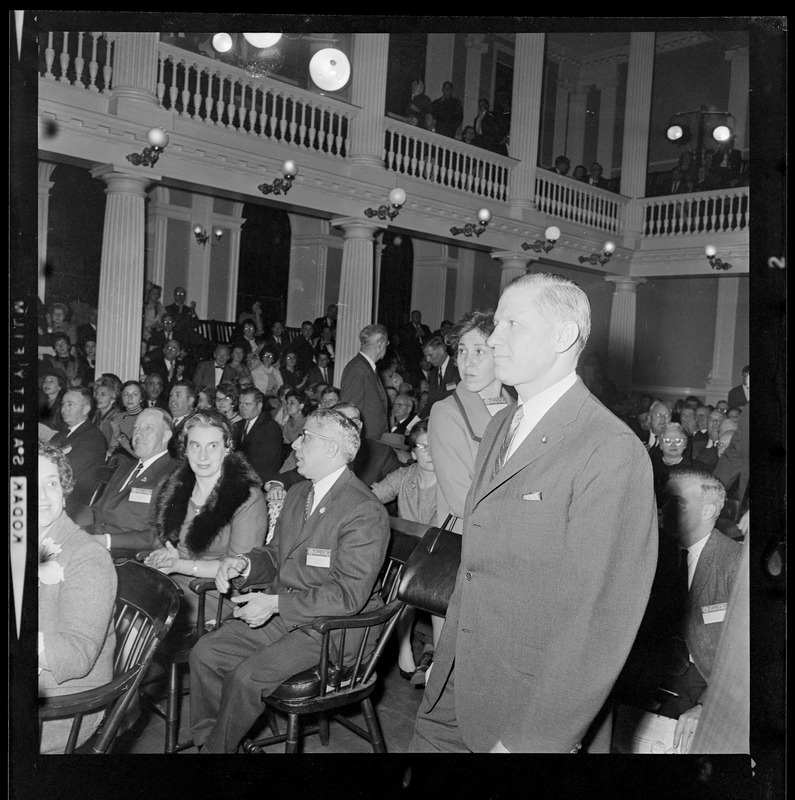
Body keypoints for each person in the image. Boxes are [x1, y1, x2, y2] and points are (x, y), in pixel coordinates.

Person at [410, 272, 658, 753]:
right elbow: (476, 565)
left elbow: (599, 619)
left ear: (564, 336)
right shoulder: (503, 423)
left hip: (525, 710)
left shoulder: (609, 449)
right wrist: (444, 665)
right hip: (454, 688)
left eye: (511, 325)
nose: (494, 338)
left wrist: (534, 741)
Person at [188, 408, 390, 753]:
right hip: (288, 616)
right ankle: (212, 745)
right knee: (206, 652)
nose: (295, 443)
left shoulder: (364, 510)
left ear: (330, 448)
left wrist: (276, 603)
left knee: (244, 677)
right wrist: (243, 564)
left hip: (332, 630)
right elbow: (274, 554)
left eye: (305, 436)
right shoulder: (299, 494)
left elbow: (347, 597)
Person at [144, 410, 267, 631]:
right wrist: (165, 551)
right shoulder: (175, 486)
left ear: (227, 448)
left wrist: (179, 565)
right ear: (185, 449)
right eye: (195, 446)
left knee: (139, 613)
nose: (202, 456)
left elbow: (235, 569)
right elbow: (159, 537)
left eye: (212, 446)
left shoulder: (246, 497)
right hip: (172, 581)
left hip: (214, 594)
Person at [653, 468, 743, 753]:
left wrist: (708, 706)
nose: (664, 508)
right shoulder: (656, 553)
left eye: (677, 501)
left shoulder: (736, 563)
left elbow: (748, 659)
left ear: (708, 511)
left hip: (711, 686)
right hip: (661, 677)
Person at [38, 442, 118, 754]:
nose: (43, 496)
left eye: (52, 483)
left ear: (65, 490)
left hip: (63, 702)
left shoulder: (87, 555)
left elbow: (76, 654)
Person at [429, 309, 514, 535]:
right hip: (471, 541)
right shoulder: (447, 413)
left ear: (501, 354)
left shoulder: (521, 410)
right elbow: (462, 501)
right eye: (462, 351)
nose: (467, 362)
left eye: (479, 351)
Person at [371, 422, 437, 686]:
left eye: (435, 447)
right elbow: (369, 498)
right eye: (422, 447)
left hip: (439, 556)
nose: (429, 454)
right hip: (407, 558)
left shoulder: (450, 479)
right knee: (402, 582)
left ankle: (436, 656)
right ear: (413, 450)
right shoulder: (404, 475)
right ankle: (403, 646)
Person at [80, 407, 179, 552]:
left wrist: (106, 541)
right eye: (137, 428)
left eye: (148, 428)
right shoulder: (125, 466)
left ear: (165, 436)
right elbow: (97, 510)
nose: (139, 434)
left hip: (127, 557)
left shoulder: (174, 474)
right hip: (95, 546)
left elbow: (159, 535)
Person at [49, 388, 107, 510]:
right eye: (63, 404)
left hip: (72, 501)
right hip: (52, 491)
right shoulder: (60, 435)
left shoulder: (93, 438)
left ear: (85, 409)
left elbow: (66, 470)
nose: (64, 409)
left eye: (70, 404)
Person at [340, 323, 390, 441]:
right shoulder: (357, 369)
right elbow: (350, 413)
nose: (387, 347)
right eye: (387, 343)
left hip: (375, 442)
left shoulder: (367, 367)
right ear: (380, 343)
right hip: (366, 443)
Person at [233, 387, 284, 486]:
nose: (242, 408)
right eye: (240, 403)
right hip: (240, 478)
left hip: (259, 481)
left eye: (247, 404)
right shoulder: (238, 425)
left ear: (259, 405)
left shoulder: (270, 427)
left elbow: (265, 463)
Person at [650, 422, 693, 505]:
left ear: (685, 444)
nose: (673, 445)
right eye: (668, 441)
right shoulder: (651, 468)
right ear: (661, 444)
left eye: (677, 441)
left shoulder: (696, 468)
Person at [421, 335, 460, 418]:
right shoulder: (433, 373)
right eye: (426, 356)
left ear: (442, 350)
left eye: (430, 355)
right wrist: (412, 424)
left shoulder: (458, 368)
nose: (428, 360)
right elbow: (431, 402)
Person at [108, 380, 145, 463]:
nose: (129, 398)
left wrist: (120, 438)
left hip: (135, 461)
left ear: (141, 398)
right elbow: (112, 446)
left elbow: (138, 455)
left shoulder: (146, 417)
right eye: (126, 394)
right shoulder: (118, 417)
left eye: (135, 394)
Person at [90, 377, 123, 447]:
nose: (98, 397)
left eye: (103, 394)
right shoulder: (94, 415)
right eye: (96, 393)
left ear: (113, 397)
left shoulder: (117, 418)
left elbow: (113, 446)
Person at [39, 370, 66, 437]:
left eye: (51, 381)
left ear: (60, 386)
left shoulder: (64, 404)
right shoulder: (40, 401)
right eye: (45, 381)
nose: (46, 384)